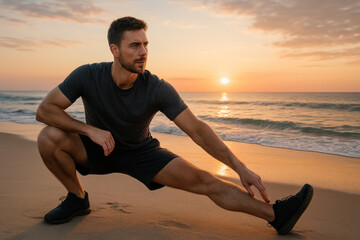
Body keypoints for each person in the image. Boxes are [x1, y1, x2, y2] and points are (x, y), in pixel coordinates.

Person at [36, 16, 313, 235]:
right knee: (49, 136)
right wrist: (89, 130)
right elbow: (45, 110)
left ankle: (277, 215)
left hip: (141, 153)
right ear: (115, 50)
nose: (143, 52)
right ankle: (77, 198)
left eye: (146, 45)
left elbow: (197, 129)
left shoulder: (156, 87)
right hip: (97, 147)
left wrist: (239, 167)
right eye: (135, 45)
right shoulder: (88, 74)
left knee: (206, 181)